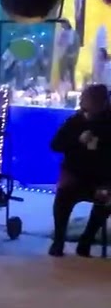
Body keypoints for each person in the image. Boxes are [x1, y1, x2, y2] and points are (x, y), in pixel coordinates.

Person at [49, 84, 111, 257]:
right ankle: (59, 239)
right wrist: (77, 140)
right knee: (63, 197)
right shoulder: (75, 121)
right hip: (75, 176)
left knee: (106, 201)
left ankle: (86, 240)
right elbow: (55, 145)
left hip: (102, 179)